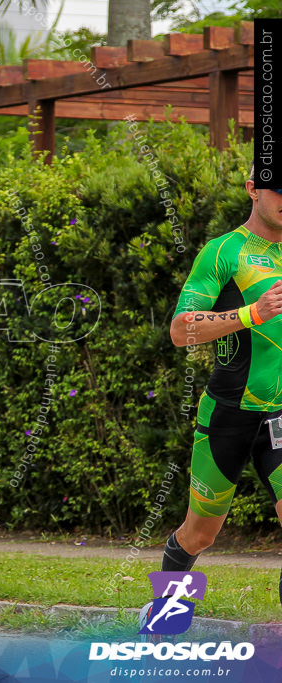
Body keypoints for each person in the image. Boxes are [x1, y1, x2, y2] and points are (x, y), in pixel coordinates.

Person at [150, 166, 282, 627]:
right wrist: (252, 312)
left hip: (281, 416)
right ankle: (167, 613)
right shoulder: (223, 252)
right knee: (199, 534)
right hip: (227, 414)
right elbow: (180, 330)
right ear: (253, 189)